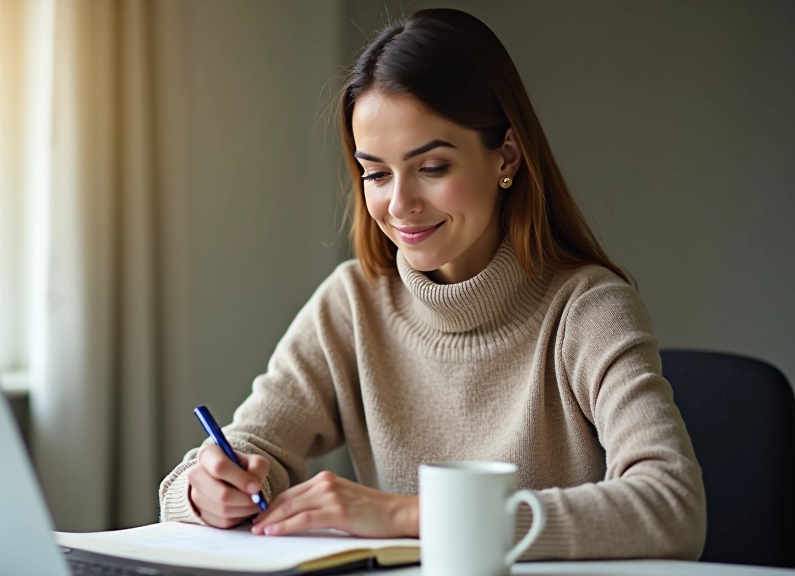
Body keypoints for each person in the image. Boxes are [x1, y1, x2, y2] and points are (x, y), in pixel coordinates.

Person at [158, 8, 706, 560]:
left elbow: (673, 504)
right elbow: (244, 449)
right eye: (375, 172)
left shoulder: (588, 311)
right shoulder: (353, 304)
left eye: (434, 166)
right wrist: (208, 488)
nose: (400, 206)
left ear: (505, 157)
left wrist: (408, 516)